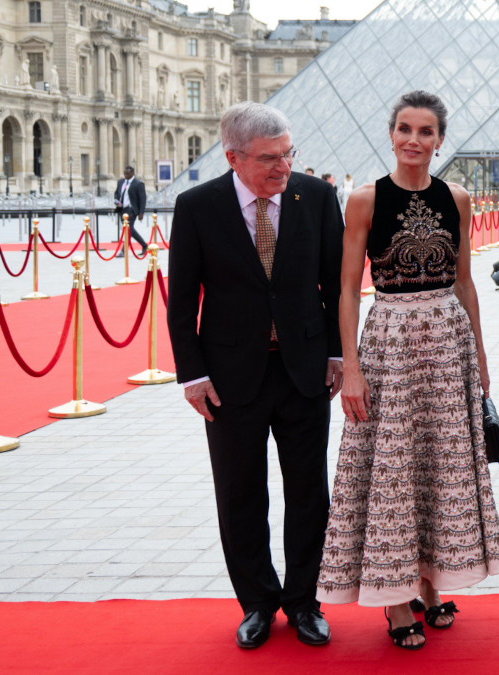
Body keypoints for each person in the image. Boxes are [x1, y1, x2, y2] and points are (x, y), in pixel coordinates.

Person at [317, 90, 499, 650]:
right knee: (394, 469)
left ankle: (430, 582)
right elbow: (348, 292)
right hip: (391, 345)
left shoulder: (458, 197)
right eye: (405, 129)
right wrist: (351, 368)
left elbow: (466, 282)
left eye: (426, 132)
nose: (414, 140)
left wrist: (479, 356)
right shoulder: (364, 200)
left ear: (440, 140)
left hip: (447, 343)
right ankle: (396, 600)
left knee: (438, 465)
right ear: (391, 133)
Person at [166, 102, 344, 650]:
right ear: (233, 157)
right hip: (229, 377)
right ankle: (258, 603)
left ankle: (304, 601)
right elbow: (181, 299)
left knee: (308, 492)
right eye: (270, 158)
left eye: (289, 153)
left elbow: (336, 286)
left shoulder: (315, 197)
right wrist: (192, 376)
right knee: (240, 493)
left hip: (305, 371)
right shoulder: (197, 206)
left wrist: (338, 356)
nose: (283, 166)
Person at [113, 166, 148, 256]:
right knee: (129, 230)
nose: (125, 175)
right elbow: (117, 193)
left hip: (132, 209)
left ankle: (123, 251)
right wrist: (117, 200)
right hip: (122, 209)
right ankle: (144, 245)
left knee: (128, 229)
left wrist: (141, 212)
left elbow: (142, 199)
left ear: (132, 173)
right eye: (124, 173)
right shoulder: (121, 182)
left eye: (127, 174)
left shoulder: (138, 184)